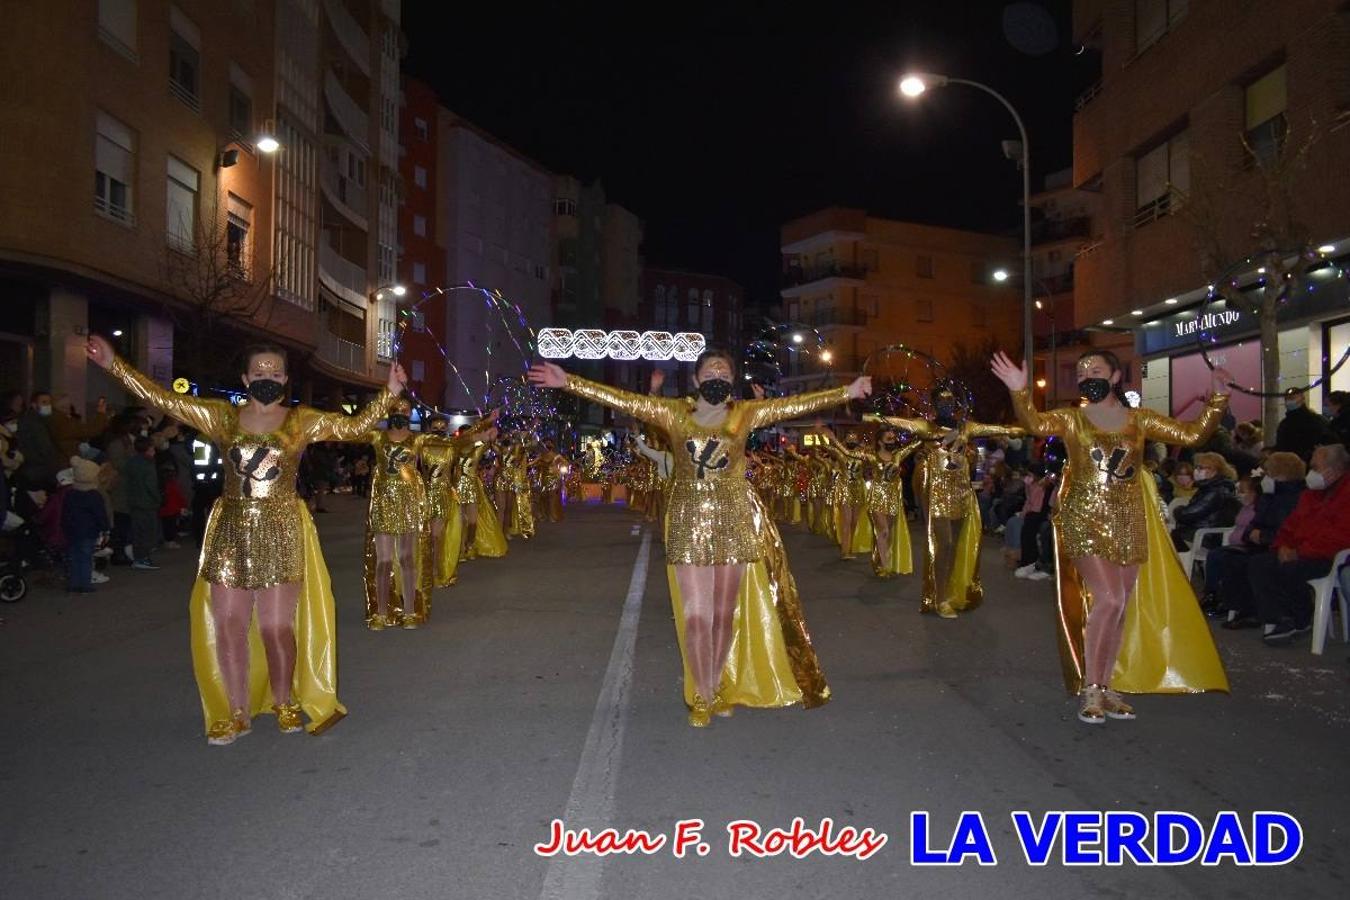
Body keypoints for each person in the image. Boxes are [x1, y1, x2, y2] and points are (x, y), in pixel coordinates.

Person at [87, 334, 402, 745]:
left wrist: (389, 394)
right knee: (229, 624)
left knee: (275, 626)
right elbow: (164, 400)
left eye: (275, 371)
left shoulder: (302, 420)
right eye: (259, 371)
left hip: (281, 527)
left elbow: (353, 427)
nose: (267, 377)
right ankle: (235, 712)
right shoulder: (222, 417)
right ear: (244, 377)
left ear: (286, 378)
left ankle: (284, 700)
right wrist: (115, 365)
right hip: (230, 529)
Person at [529, 349, 871, 726]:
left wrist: (847, 391)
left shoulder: (746, 413)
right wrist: (570, 382)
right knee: (696, 617)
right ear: (695, 379)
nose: (717, 374)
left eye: (724, 369)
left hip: (733, 517)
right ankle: (702, 695)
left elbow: (795, 404)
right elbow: (625, 399)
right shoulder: (674, 413)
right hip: (687, 519)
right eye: (710, 369)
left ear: (732, 379)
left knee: (723, 614)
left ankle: (719, 684)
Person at [991, 349, 1231, 724]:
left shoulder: (1139, 419)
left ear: (1116, 377)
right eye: (1083, 371)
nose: (1088, 376)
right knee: (1108, 598)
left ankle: (1107, 686)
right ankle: (1091, 687)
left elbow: (1194, 434)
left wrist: (1219, 397)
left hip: (1129, 520)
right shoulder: (1072, 419)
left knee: (1120, 606)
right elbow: (1035, 425)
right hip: (1083, 519)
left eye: (1096, 369)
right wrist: (1020, 392)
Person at [880, 382, 1023, 618]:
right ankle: (939, 598)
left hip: (961, 493)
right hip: (936, 493)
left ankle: (950, 592)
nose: (946, 404)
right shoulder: (927, 427)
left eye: (949, 401)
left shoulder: (966, 427)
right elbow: (899, 423)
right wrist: (871, 415)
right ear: (934, 405)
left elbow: (991, 429)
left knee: (955, 546)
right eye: (941, 401)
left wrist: (1016, 430)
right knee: (942, 544)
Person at [1247, 444, 1350, 644]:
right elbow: (1290, 526)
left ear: (1335, 470)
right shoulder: (1309, 495)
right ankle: (1281, 617)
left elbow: (1339, 537)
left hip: (1329, 557)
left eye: (1315, 468)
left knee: (1290, 569)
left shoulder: (1346, 495)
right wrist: (1282, 546)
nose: (1310, 473)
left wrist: (1299, 552)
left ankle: (1301, 619)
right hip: (1299, 551)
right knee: (1259, 564)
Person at [1216, 452, 1307, 626]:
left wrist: (1263, 537)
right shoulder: (1268, 495)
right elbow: (1255, 521)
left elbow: (1289, 529)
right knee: (1228, 558)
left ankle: (1256, 611)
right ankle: (1240, 607)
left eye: (1268, 472)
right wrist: (1251, 533)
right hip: (1260, 541)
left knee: (1252, 563)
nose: (1265, 476)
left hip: (1276, 544)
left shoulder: (1295, 498)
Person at [1170, 451, 1238, 551]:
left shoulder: (1216, 491)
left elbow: (1188, 514)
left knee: (1164, 539)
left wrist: (1178, 510)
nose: (1197, 471)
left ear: (1215, 470)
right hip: (1195, 532)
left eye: (1201, 468)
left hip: (1204, 537)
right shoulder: (1207, 487)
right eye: (1197, 467)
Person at [62, 456, 109, 593]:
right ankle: (85, 583)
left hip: (72, 530)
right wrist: (105, 527)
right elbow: (100, 514)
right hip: (88, 531)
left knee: (74, 557)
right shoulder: (94, 495)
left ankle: (74, 583)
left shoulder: (70, 494)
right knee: (86, 558)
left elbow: (65, 513)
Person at [123, 436, 162, 571]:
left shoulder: (131, 462)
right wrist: (158, 499)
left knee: (138, 531)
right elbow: (151, 485)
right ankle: (142, 558)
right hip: (147, 503)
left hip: (134, 501)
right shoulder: (148, 465)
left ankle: (139, 557)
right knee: (147, 532)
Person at [1274, 387, 1335, 463]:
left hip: (1310, 464)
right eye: (1287, 399)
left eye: (1292, 398)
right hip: (1288, 465)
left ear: (1302, 399)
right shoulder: (1284, 424)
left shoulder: (1315, 420)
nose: (1289, 401)